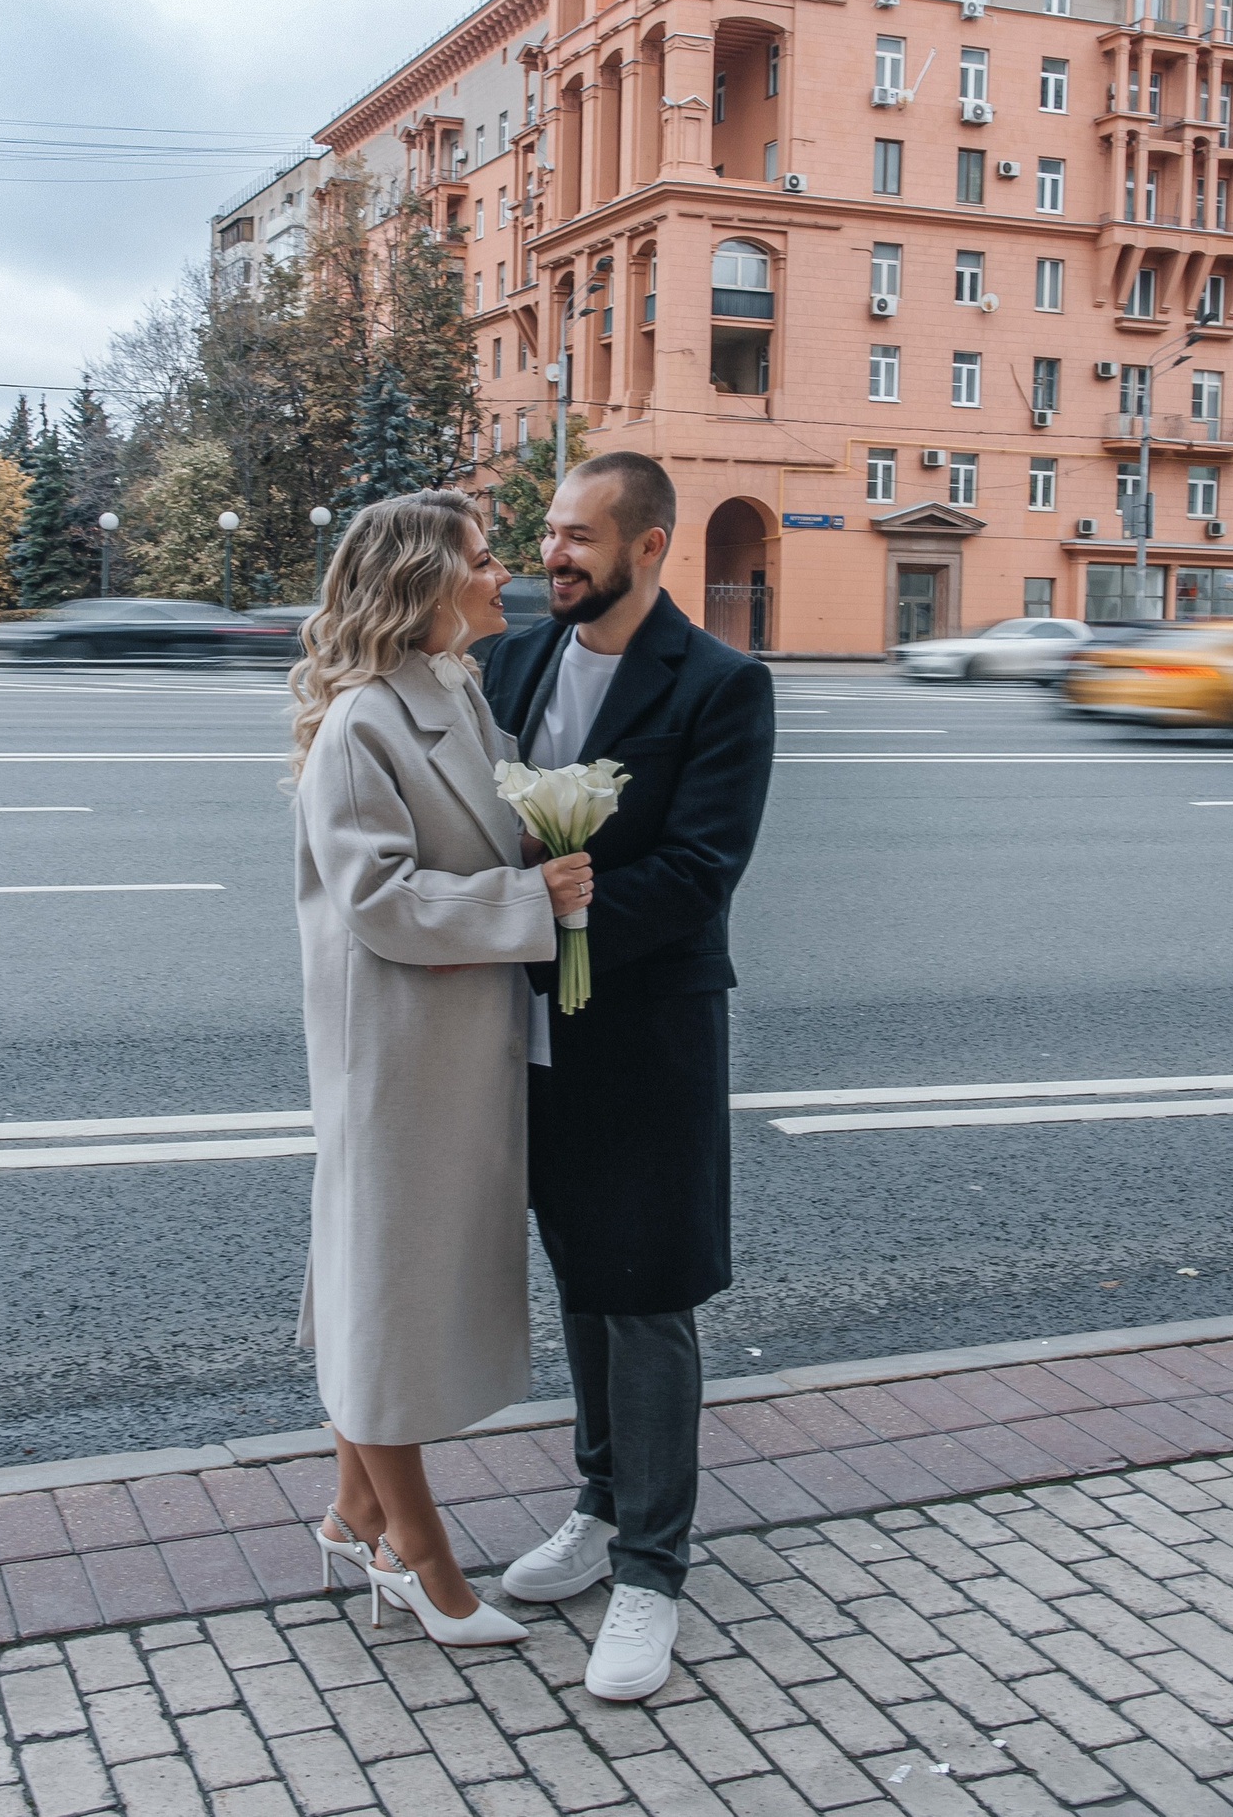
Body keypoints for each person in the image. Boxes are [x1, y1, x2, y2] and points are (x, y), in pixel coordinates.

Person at [482, 451, 775, 1703]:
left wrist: (553, 919)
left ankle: (653, 1570)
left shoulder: (720, 684)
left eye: (579, 538)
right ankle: (599, 1509)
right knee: (582, 1278)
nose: (553, 555)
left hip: (647, 1028)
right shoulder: (511, 660)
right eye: (550, 533)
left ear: (649, 546)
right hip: (530, 1031)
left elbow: (703, 870)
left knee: (647, 1292)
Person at [289, 489, 592, 1647]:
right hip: (398, 1055)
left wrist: (542, 839)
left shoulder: (454, 690)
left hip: (452, 1043)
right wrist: (532, 897)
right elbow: (377, 900)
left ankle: (348, 1515)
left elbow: (467, 826)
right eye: (480, 555)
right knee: (389, 1301)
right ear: (423, 582)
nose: (501, 568)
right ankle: (420, 1557)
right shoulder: (365, 718)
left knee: (393, 1284)